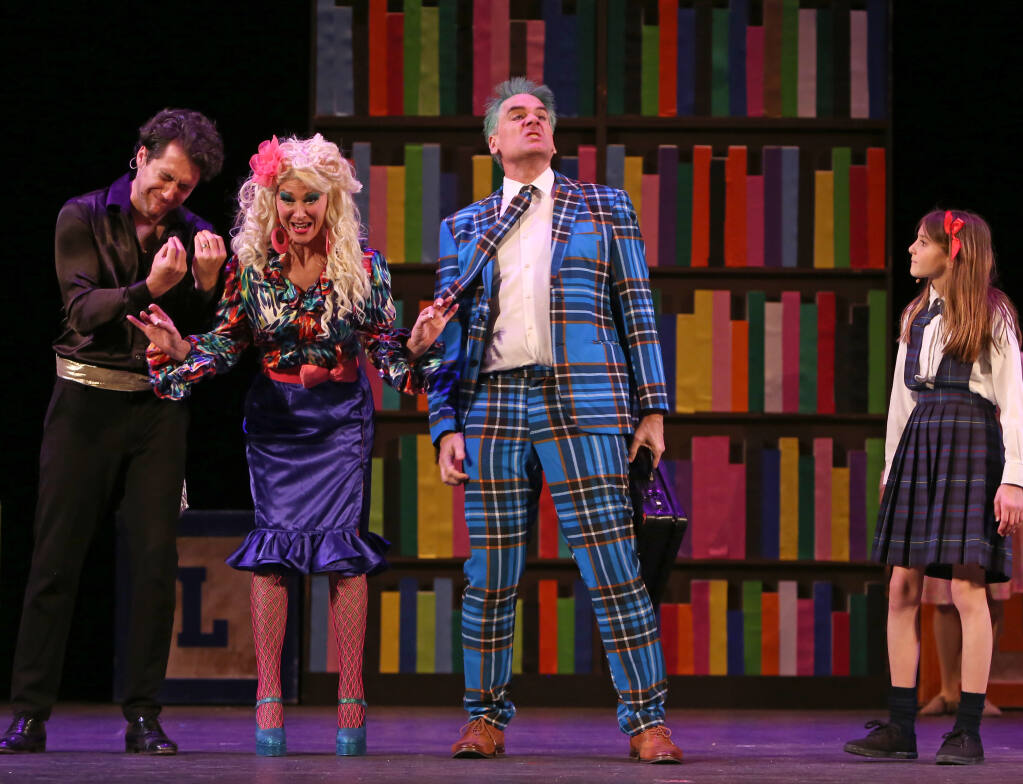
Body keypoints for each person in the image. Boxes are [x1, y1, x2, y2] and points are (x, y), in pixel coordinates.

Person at [129, 133, 454, 757]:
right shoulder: (251, 267)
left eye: (311, 198)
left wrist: (416, 344)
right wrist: (181, 349)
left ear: (332, 202)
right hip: (276, 424)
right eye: (287, 198)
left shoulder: (363, 265)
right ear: (269, 202)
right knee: (272, 555)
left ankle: (351, 699)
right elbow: (227, 343)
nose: (299, 211)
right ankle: (269, 698)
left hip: (341, 422)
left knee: (344, 554)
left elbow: (385, 348)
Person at [428, 78, 683, 764]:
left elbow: (636, 308)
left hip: (586, 399)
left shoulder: (604, 206)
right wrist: (444, 425)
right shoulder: (464, 225)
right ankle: (483, 718)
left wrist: (652, 409)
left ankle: (646, 721)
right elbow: (447, 338)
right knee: (490, 573)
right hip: (493, 404)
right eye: (516, 114)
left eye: (541, 114)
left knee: (614, 565)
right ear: (493, 141)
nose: (532, 119)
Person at [0, 109, 226, 756]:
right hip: (84, 402)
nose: (170, 194)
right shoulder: (82, 216)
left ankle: (144, 715)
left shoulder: (196, 234)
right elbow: (81, 310)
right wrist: (146, 287)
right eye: (164, 177)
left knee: (155, 563)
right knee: (56, 558)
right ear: (140, 156)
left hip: (155, 409)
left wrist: (207, 286)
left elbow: (200, 333)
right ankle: (30, 712)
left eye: (184, 186)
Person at [844, 209, 1023, 765]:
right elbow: (902, 400)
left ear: (954, 252)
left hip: (970, 441)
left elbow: (1014, 398)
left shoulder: (992, 312)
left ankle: (966, 730)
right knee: (902, 586)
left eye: (923, 242)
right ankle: (901, 727)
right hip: (921, 443)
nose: (912, 249)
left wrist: (1014, 478)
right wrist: (890, 468)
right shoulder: (916, 313)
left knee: (968, 588)